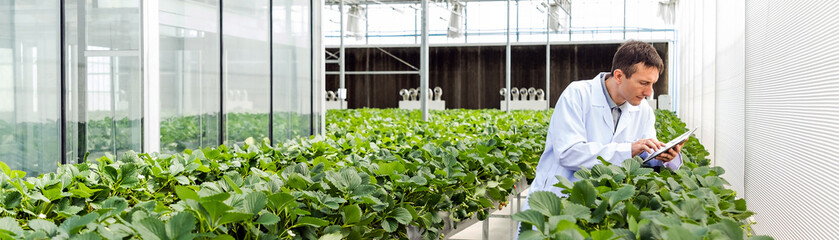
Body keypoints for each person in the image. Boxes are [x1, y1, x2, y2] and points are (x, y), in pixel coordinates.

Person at [524, 40, 685, 208]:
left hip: (606, 204)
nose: (649, 92)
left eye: (652, 84)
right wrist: (629, 149)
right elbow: (568, 153)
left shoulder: (643, 110)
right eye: (643, 83)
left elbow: (644, 157)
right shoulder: (577, 94)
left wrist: (663, 157)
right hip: (560, 199)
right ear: (619, 76)